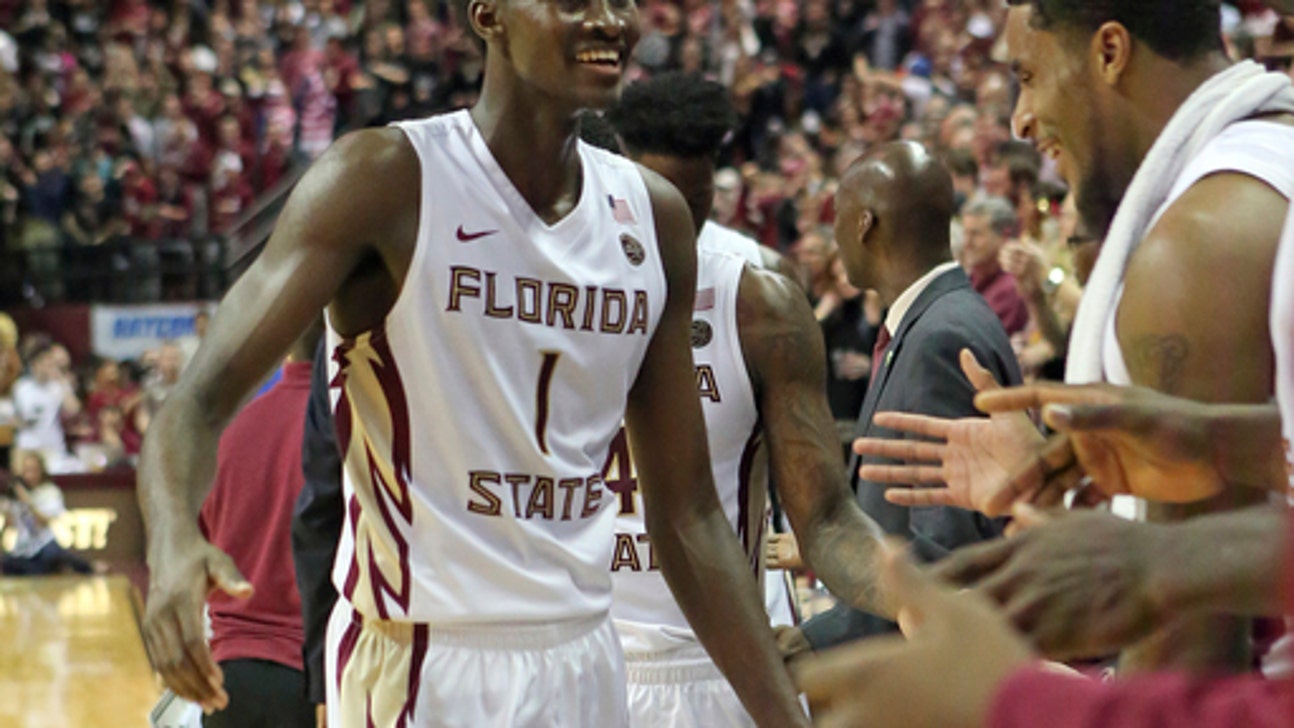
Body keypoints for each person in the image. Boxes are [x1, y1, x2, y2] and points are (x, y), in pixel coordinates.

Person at [136, 0, 808, 724]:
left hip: (588, 654)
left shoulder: (655, 217)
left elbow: (690, 514)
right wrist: (173, 542)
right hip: (423, 659)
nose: (609, 19)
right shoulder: (383, 179)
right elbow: (198, 400)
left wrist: (785, 718)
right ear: (488, 15)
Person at [600, 73, 892, 726]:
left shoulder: (760, 303)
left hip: (717, 666)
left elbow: (824, 516)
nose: (678, 227)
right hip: (584, 651)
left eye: (695, 206)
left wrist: (912, 594)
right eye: (660, 205)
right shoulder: (551, 287)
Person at [783, 141, 1021, 654]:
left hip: (923, 661)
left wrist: (820, 637)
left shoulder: (939, 338)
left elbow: (943, 554)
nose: (833, 235)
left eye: (837, 217)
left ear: (865, 224)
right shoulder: (939, 318)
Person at [195, 322, 322, 728]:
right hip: (314, 678)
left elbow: (196, 556)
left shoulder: (230, 429)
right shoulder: (351, 429)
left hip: (228, 676)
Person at [1, 450, 93, 575]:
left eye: (33, 470)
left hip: (44, 545)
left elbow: (44, 521)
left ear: (41, 471)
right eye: (26, 470)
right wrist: (7, 509)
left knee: (54, 557)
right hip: (23, 547)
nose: (29, 475)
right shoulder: (15, 494)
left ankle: (86, 568)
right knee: (8, 563)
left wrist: (28, 503)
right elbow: (10, 525)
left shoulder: (49, 492)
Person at [960, 196, 1030, 338]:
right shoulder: (968, 280)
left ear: (1005, 236)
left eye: (976, 234)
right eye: (965, 233)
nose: (967, 243)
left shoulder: (1012, 289)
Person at [11, 339, 81, 470]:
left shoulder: (57, 386)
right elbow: (14, 417)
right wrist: (21, 422)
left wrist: (61, 380)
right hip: (28, 447)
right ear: (34, 364)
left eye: (50, 360)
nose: (48, 364)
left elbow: (73, 409)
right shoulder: (21, 387)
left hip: (52, 448)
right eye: (44, 361)